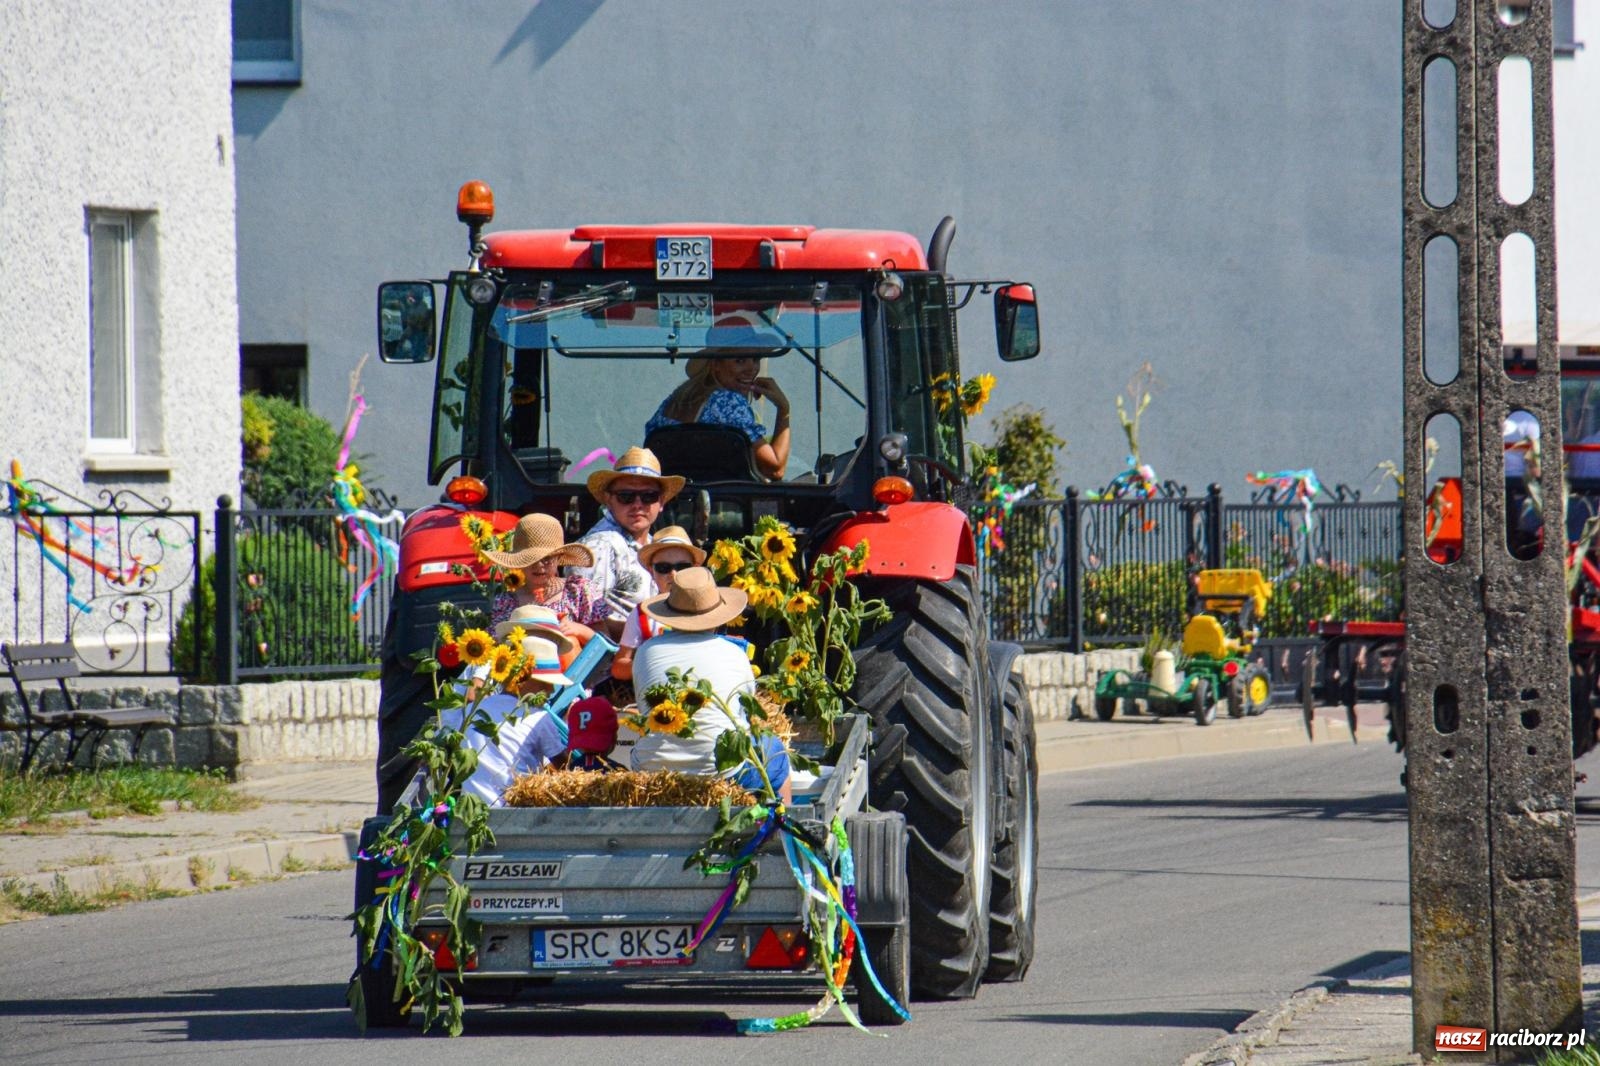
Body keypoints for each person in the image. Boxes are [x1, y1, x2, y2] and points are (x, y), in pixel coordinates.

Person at [630, 567, 791, 802]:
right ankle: (784, 827)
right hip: (722, 773)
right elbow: (745, 710)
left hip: (651, 771)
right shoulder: (733, 653)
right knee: (775, 749)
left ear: (670, 616)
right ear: (717, 616)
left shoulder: (646, 651)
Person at [450, 633, 576, 806]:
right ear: (521, 680)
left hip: (472, 809)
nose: (551, 690)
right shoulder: (538, 717)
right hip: (516, 810)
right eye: (544, 683)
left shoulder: (473, 711)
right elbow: (565, 766)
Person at [574, 446, 686, 635]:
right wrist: (646, 633)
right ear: (608, 500)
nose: (637, 504)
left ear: (662, 502)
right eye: (626, 496)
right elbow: (590, 621)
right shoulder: (598, 547)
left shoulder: (654, 544)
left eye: (648, 496)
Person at [645, 353, 792, 479]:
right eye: (740, 360)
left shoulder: (672, 402)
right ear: (715, 364)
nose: (751, 369)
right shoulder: (727, 402)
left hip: (673, 506)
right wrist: (784, 408)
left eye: (755, 359)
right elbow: (775, 469)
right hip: (724, 506)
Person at [482, 513, 608, 650]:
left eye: (547, 559)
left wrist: (580, 630)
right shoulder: (506, 601)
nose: (539, 565)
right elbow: (494, 644)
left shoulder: (578, 591)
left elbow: (605, 643)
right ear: (519, 561)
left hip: (575, 669)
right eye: (530, 559)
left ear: (558, 558)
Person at [610, 525, 705, 682]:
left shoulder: (709, 609)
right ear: (650, 570)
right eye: (663, 568)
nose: (673, 574)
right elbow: (618, 667)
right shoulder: (642, 613)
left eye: (682, 567)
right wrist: (649, 662)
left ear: (695, 568)